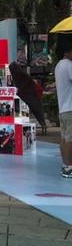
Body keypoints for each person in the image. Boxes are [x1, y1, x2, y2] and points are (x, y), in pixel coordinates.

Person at [55, 37, 72, 178]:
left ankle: (65, 165)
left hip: (63, 108)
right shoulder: (69, 65)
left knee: (64, 138)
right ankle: (69, 167)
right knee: (69, 139)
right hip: (70, 108)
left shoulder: (59, 65)